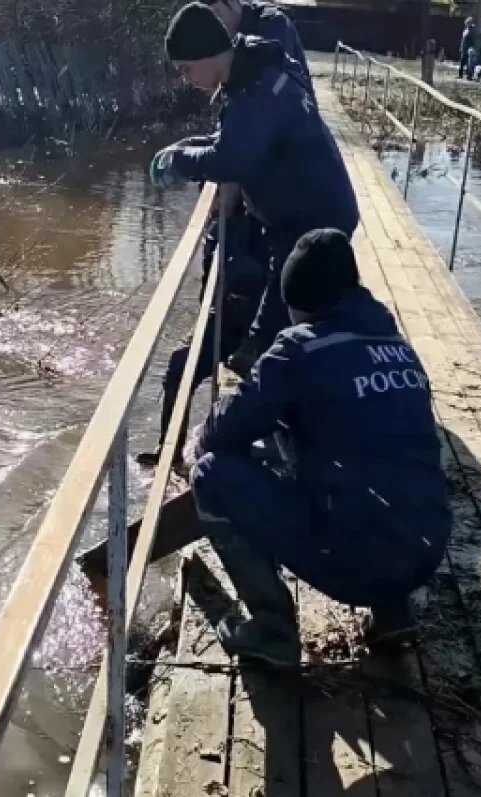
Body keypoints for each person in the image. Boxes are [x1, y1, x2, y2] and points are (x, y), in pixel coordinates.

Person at [189, 229, 453, 664]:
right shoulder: (398, 347)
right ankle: (392, 611)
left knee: (211, 472)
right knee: (372, 454)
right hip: (425, 554)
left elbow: (221, 434)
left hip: (353, 562)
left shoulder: (298, 348)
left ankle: (273, 633)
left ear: (300, 302)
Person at [151, 3, 359, 376]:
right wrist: (185, 147)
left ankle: (289, 389)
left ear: (204, 54)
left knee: (298, 311)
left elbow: (232, 159)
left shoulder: (256, 87)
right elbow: (234, 140)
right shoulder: (250, 70)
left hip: (313, 216)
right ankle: (260, 363)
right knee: (279, 312)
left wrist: (181, 162)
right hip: (298, 213)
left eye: (186, 69)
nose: (187, 78)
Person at [136, 213, 266, 470]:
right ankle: (170, 449)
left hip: (255, 326)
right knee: (179, 366)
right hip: (221, 317)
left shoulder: (264, 223)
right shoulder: (220, 225)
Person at [197, 0, 312, 91]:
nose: (215, 24)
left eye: (217, 14)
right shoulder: (228, 35)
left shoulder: (273, 23)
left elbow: (276, 83)